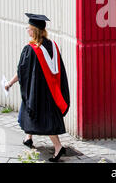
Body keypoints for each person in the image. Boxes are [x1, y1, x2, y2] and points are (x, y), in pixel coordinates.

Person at [5, 13, 70, 162]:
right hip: (53, 92)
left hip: (39, 94)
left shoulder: (31, 49)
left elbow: (22, 73)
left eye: (28, 28)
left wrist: (10, 83)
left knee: (43, 119)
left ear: (34, 30)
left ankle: (58, 147)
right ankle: (28, 138)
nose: (27, 30)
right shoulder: (53, 46)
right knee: (29, 110)